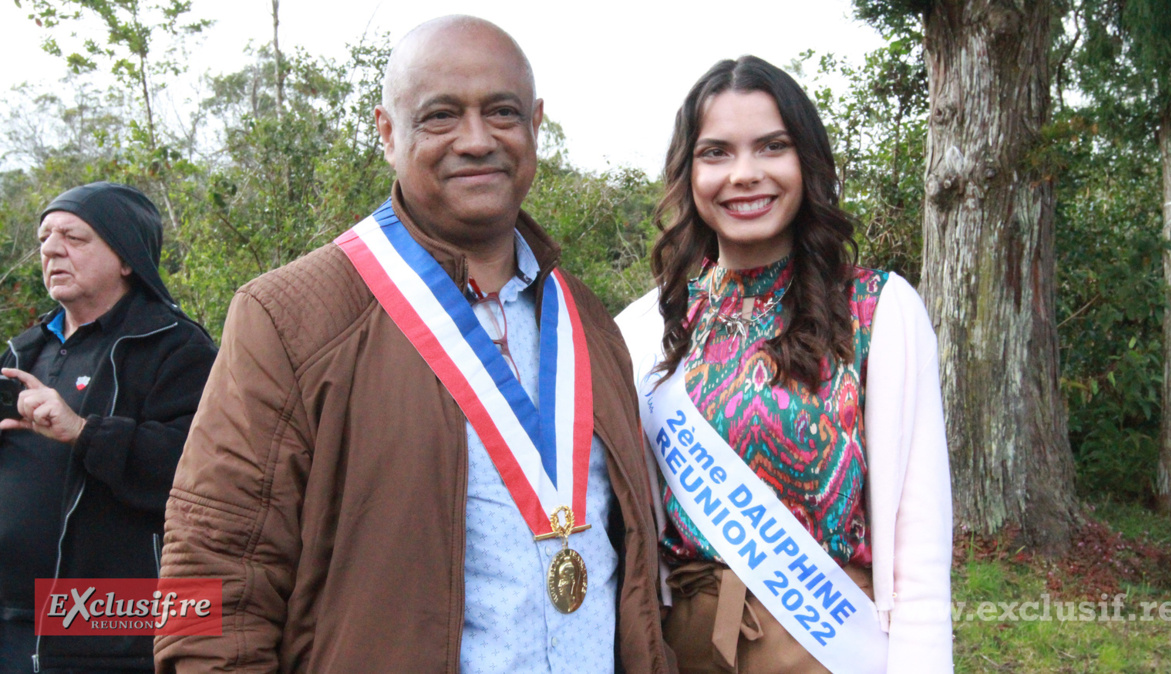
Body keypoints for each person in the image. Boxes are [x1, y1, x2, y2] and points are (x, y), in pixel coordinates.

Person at [154, 15, 672, 674]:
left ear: (536, 124)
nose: (477, 139)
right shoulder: (289, 319)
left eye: (502, 112)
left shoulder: (591, 323)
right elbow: (214, 578)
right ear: (387, 132)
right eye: (440, 117)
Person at [616, 56, 953, 673]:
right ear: (687, 172)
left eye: (772, 147)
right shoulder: (644, 329)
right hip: (684, 647)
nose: (745, 174)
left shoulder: (878, 309)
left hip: (832, 645)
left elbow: (920, 543)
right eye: (716, 152)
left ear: (808, 162)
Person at [0, 182, 217, 673]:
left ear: (126, 257)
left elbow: (204, 473)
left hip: (111, 626)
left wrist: (83, 430)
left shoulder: (175, 346)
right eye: (45, 238)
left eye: (73, 237)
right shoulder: (22, 351)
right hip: (11, 622)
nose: (51, 248)